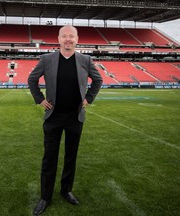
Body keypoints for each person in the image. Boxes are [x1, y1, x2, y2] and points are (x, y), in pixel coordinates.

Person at [28, 25, 103, 216]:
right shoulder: (47, 59)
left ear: (77, 39)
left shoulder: (85, 60)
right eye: (64, 36)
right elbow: (32, 79)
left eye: (71, 36)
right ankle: (45, 197)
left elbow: (98, 80)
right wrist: (40, 99)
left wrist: (88, 98)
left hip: (75, 117)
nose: (68, 39)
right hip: (53, 116)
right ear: (58, 39)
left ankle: (66, 190)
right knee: (49, 158)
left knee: (71, 157)